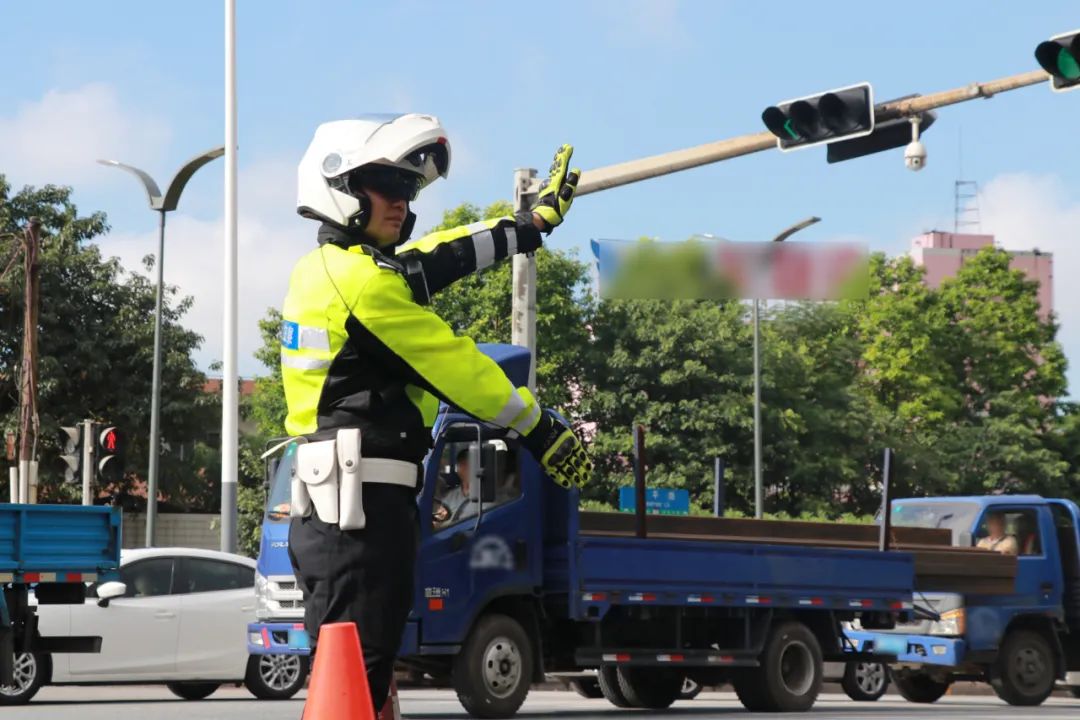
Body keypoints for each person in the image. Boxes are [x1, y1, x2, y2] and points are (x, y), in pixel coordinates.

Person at [280, 113, 593, 714]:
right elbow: (454, 365)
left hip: (347, 503)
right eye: (385, 185)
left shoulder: (330, 271)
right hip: (359, 506)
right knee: (357, 671)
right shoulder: (363, 285)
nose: (401, 202)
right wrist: (538, 426)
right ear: (339, 186)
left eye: (408, 189)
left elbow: (440, 255)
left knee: (360, 672)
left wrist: (526, 227)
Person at [435, 448, 476, 525]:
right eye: (463, 464)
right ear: (458, 469)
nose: (466, 469)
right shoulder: (450, 496)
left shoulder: (487, 496)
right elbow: (438, 520)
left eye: (470, 464)